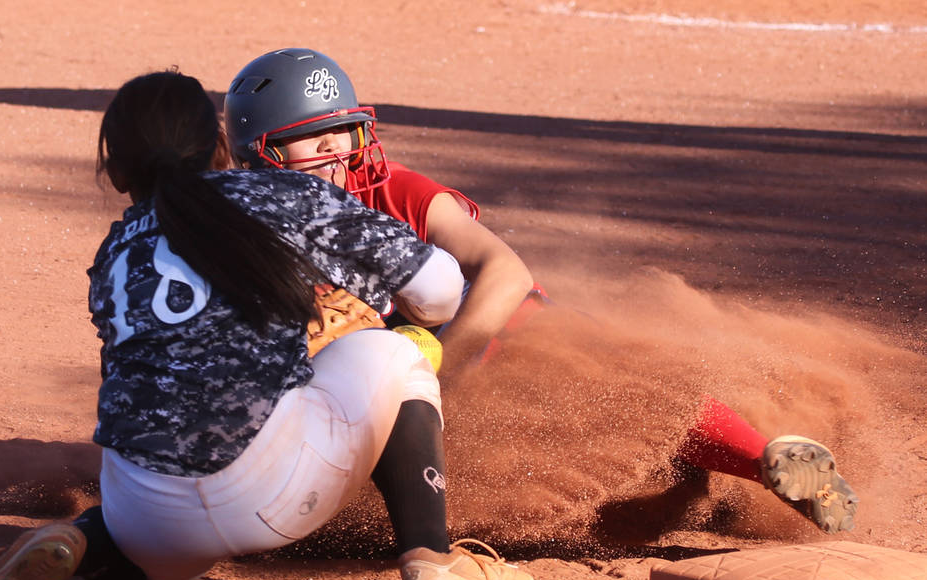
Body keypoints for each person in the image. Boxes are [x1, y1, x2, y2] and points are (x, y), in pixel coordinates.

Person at [0, 70, 535, 580]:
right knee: (392, 353)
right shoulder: (285, 195)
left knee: (149, 577)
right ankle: (433, 562)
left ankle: (80, 539)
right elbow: (440, 294)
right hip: (270, 497)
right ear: (220, 147)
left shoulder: (113, 251)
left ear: (114, 170)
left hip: (140, 515)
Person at [221, 48, 859, 535]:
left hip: (486, 336)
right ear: (259, 155)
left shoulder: (396, 191)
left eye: (343, 128)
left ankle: (765, 462)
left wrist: (449, 357)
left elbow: (505, 272)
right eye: (309, 135)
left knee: (627, 385)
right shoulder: (239, 228)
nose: (334, 147)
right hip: (383, 383)